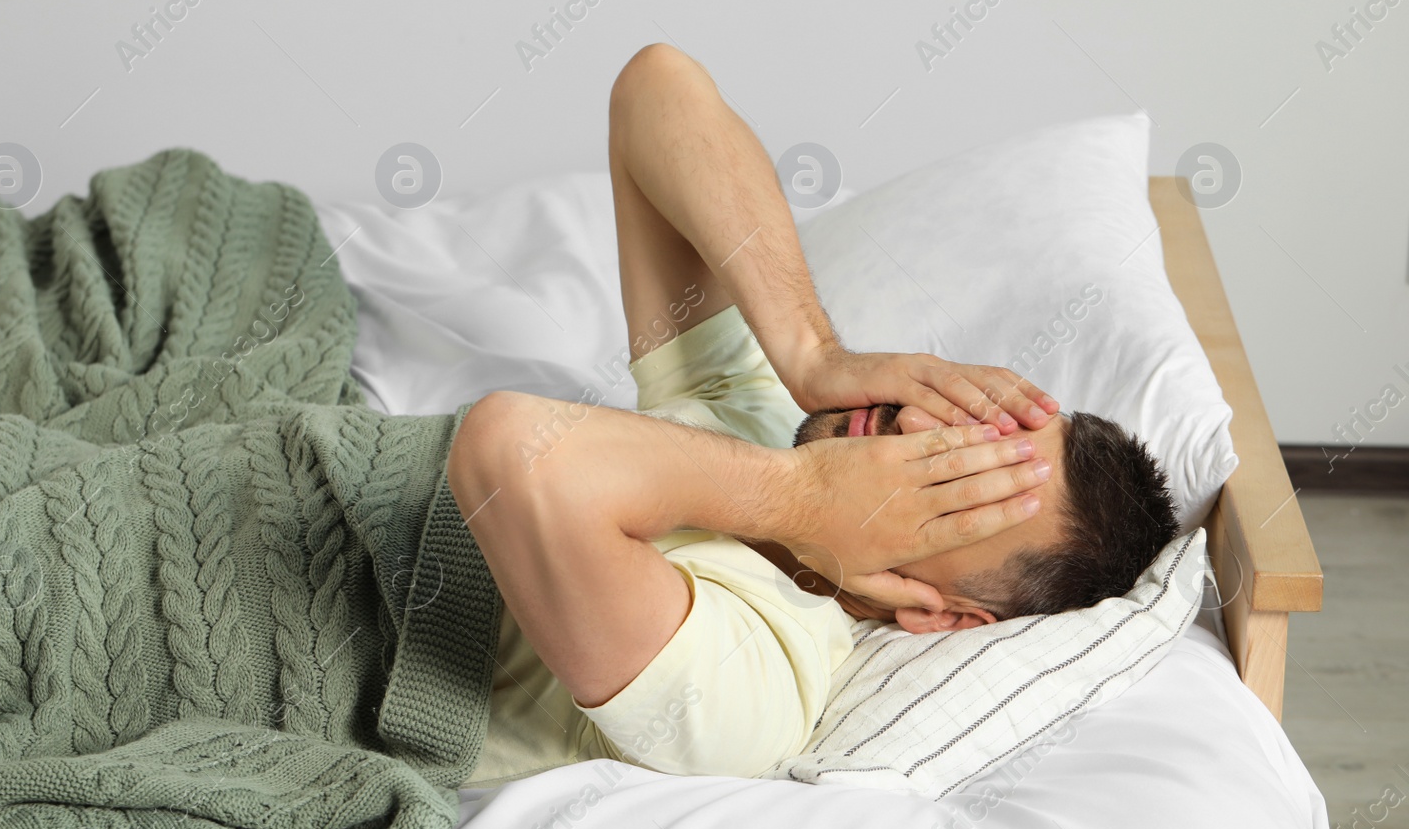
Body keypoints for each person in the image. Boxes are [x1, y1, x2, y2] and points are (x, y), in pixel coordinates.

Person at [449, 43, 1180, 786]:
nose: (916, 427)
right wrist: (811, 354)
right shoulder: (780, 433)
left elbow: (512, 451)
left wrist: (801, 499)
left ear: (948, 614)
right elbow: (656, 90)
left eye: (956, 476)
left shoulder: (762, 677)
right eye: (969, 421)